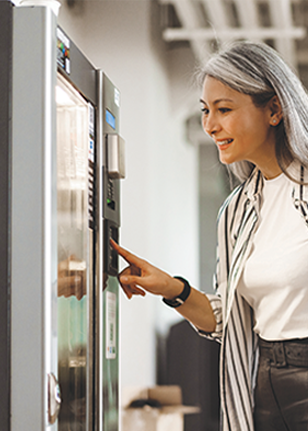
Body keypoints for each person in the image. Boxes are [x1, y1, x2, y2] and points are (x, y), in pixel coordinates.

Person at [111, 41, 308, 431]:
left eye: (224, 109)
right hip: (263, 384)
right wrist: (169, 287)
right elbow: (228, 321)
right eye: (205, 111)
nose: (210, 125)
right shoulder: (237, 212)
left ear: (274, 109)